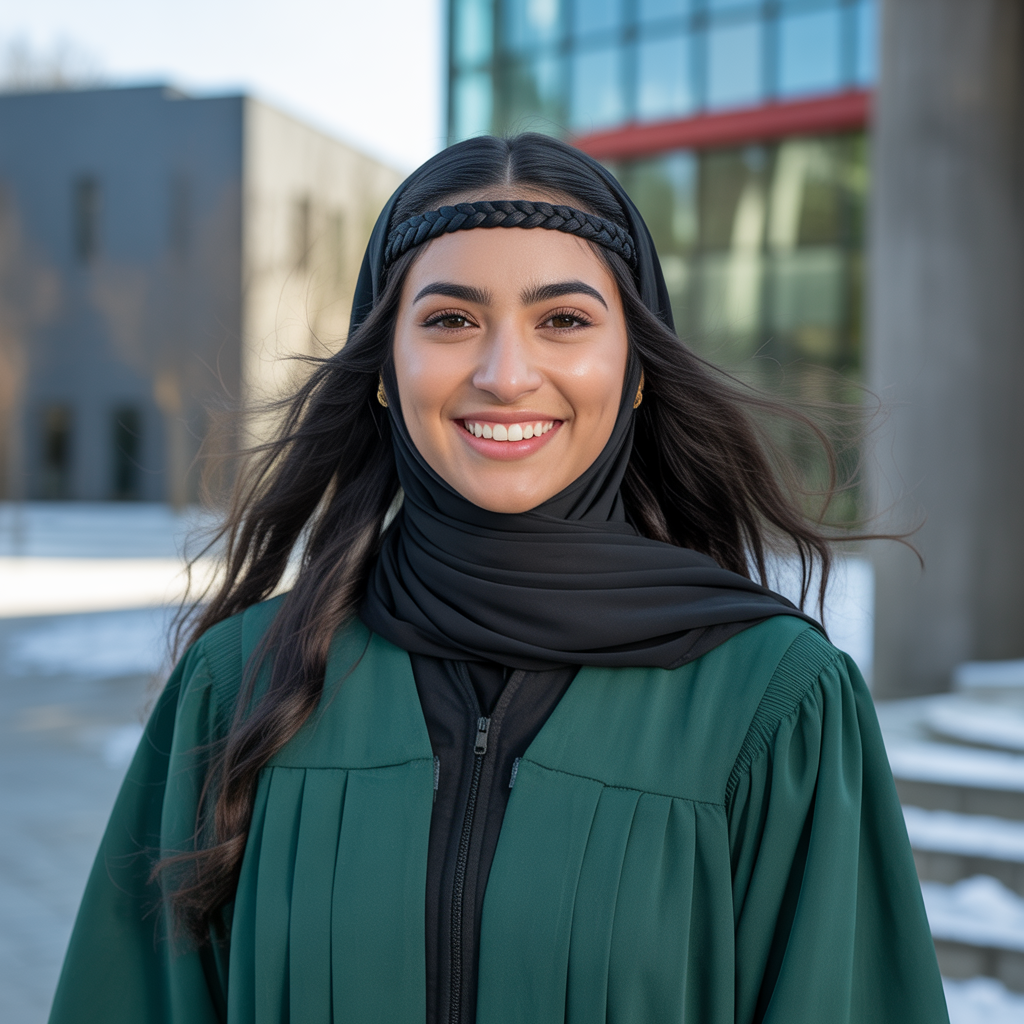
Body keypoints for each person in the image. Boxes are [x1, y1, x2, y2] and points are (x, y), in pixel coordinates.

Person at [49, 134, 948, 1024]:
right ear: (382, 372)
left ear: (634, 371)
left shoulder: (774, 705)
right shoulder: (242, 683)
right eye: (450, 320)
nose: (505, 374)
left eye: (563, 319)